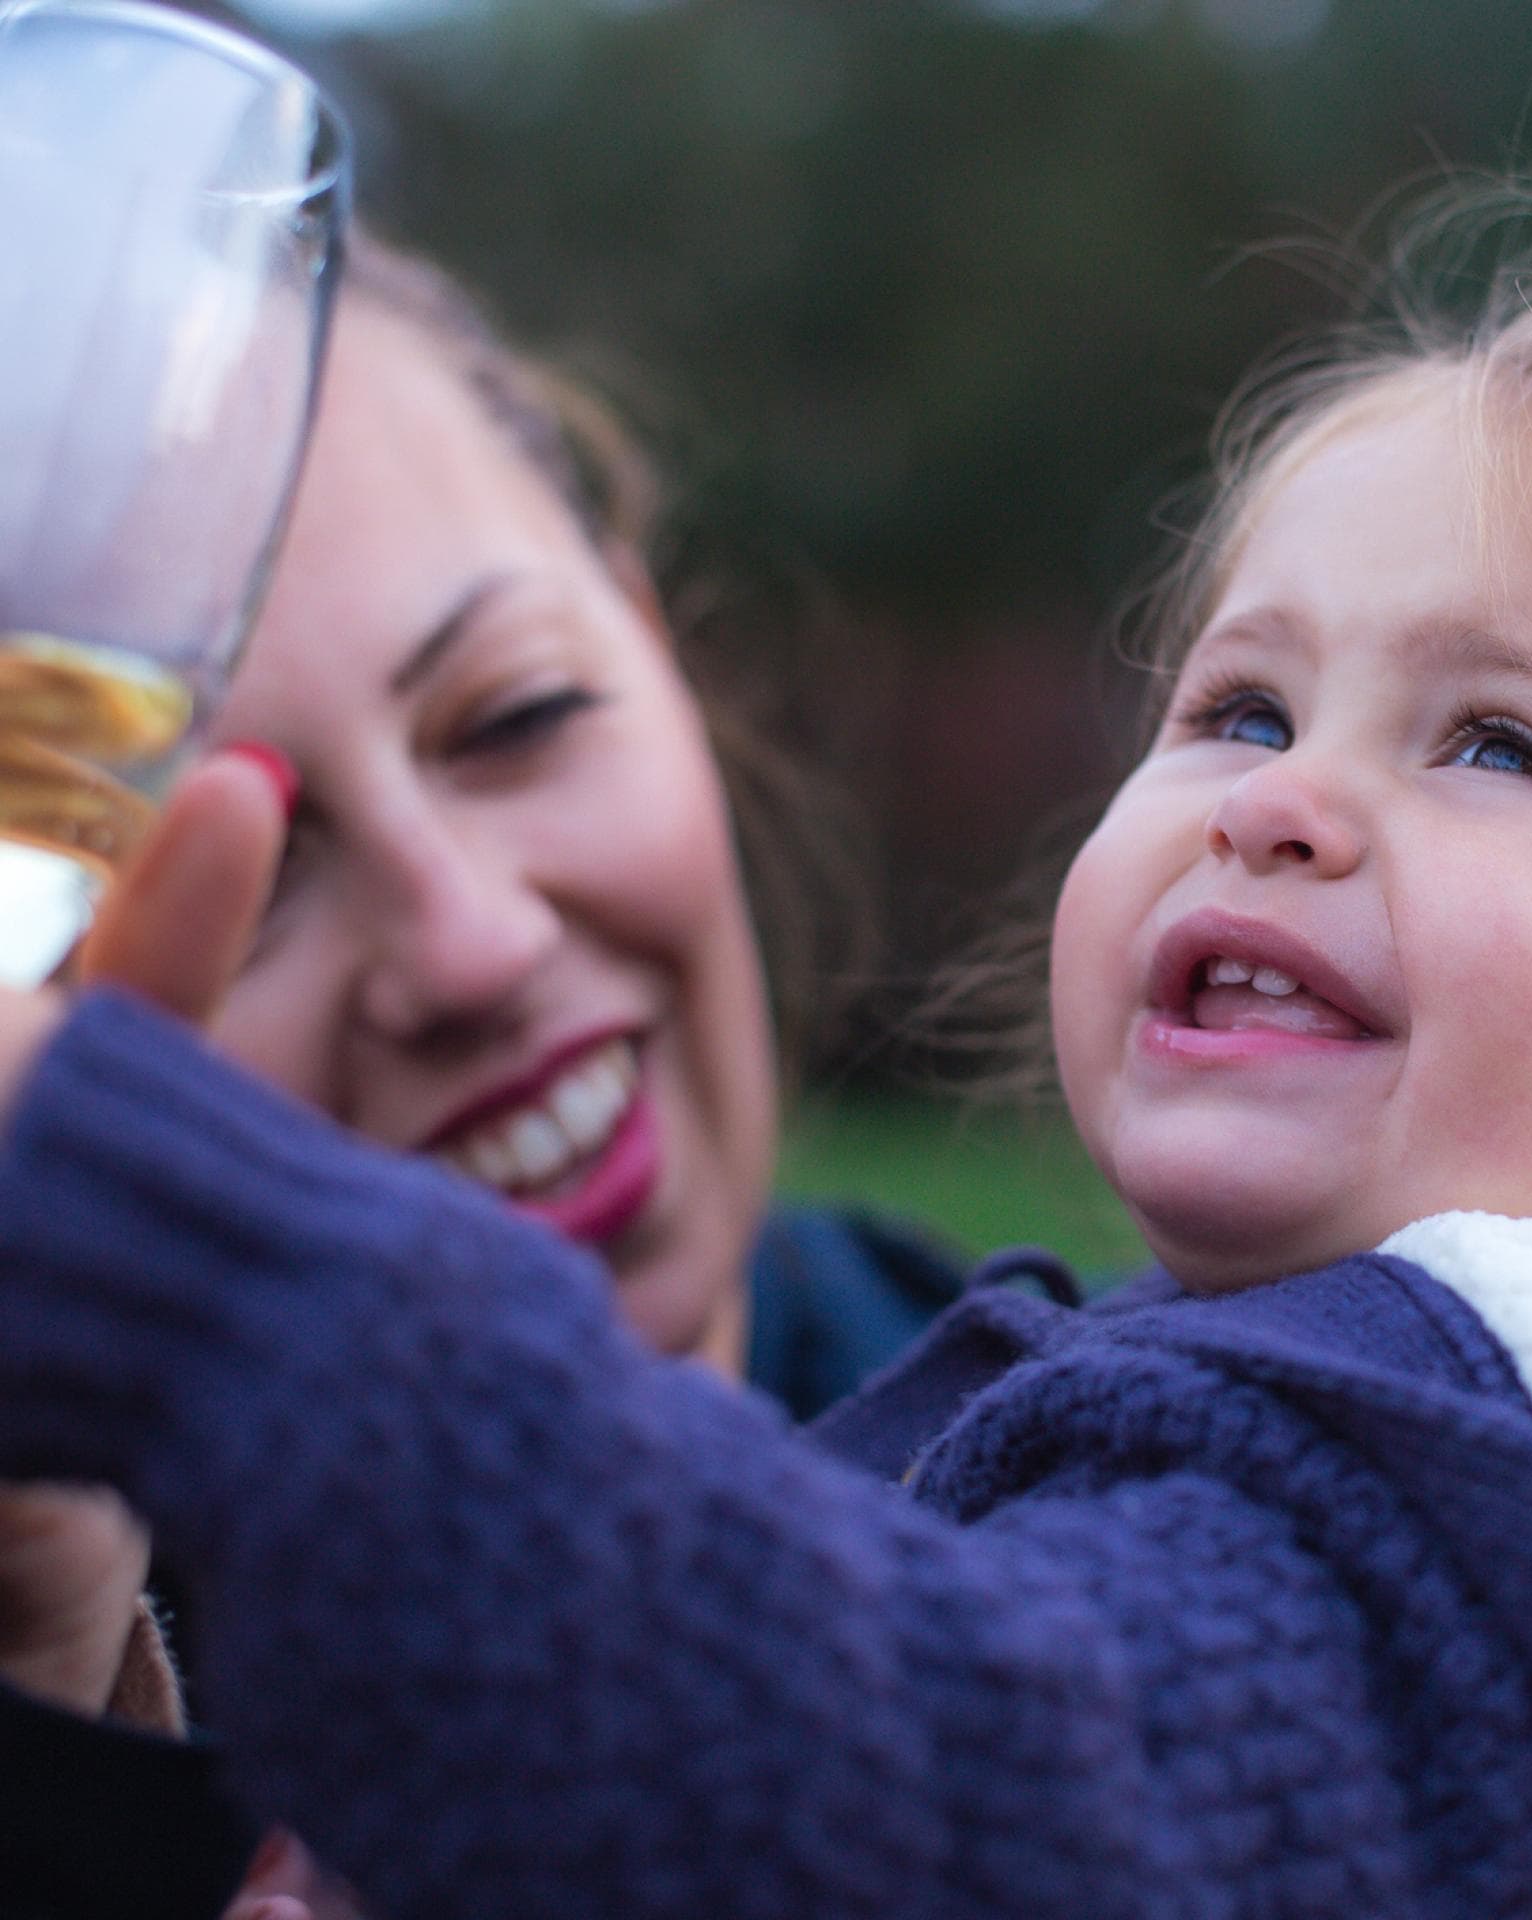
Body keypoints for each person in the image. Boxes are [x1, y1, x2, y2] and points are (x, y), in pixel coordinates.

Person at [1, 172, 1532, 1918]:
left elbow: (936, 1794)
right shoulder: (1178, 1401)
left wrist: (188, 1261)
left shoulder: (1485, 1519)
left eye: (1498, 744)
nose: (1284, 800)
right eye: (1242, 707)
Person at [0, 230, 966, 1918]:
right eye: (237, 860)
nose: (470, 943)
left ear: (649, 636)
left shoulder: (1203, 1475)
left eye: (517, 713)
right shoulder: (64, 1702)